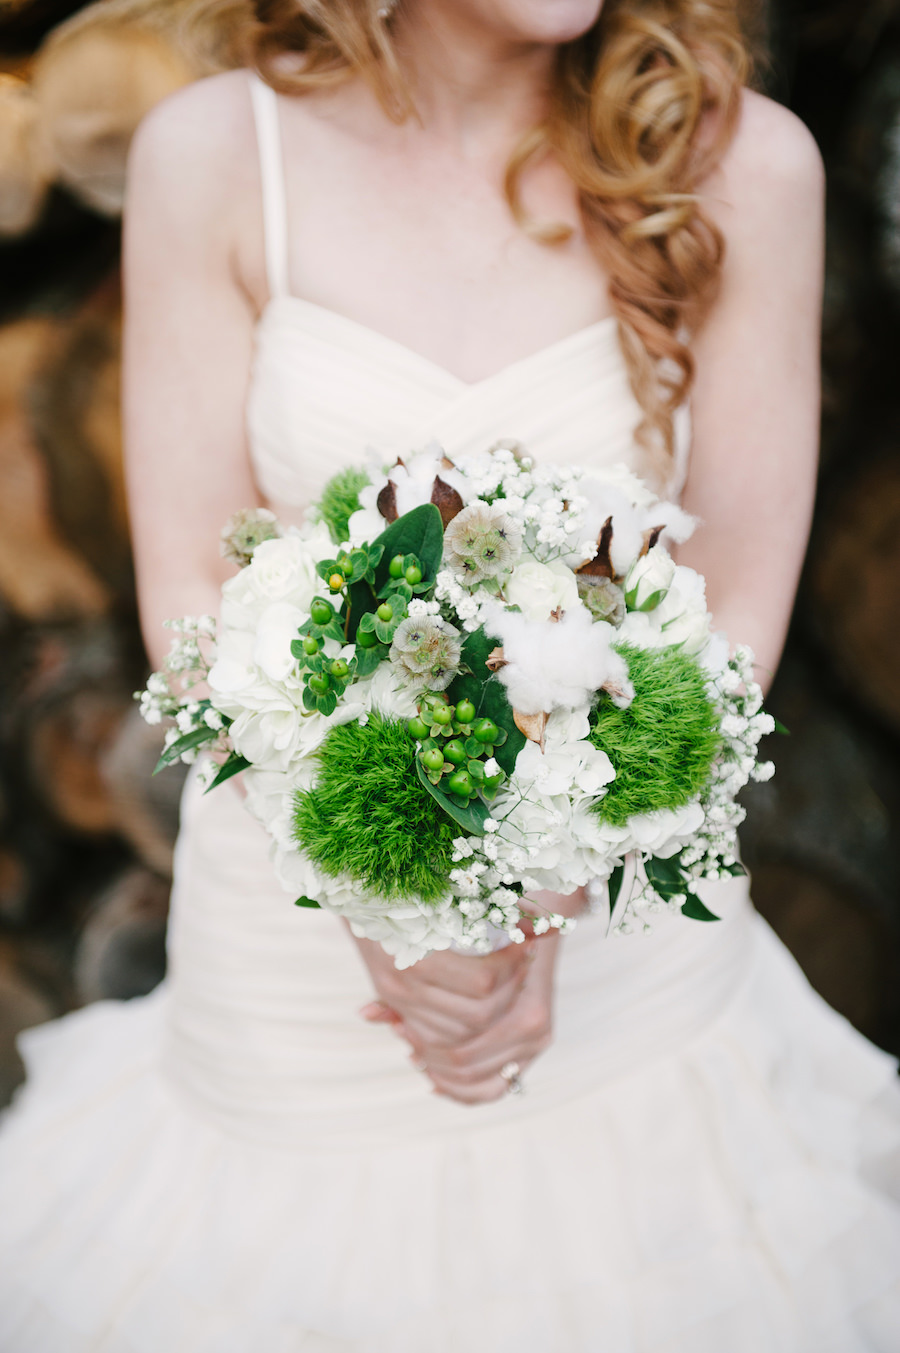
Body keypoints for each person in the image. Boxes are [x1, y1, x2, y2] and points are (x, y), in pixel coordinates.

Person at [1, 1, 899, 1348]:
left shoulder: (743, 166)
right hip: (294, 986)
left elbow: (733, 614)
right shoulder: (215, 154)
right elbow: (194, 592)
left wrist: (537, 896)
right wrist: (386, 899)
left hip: (624, 986)